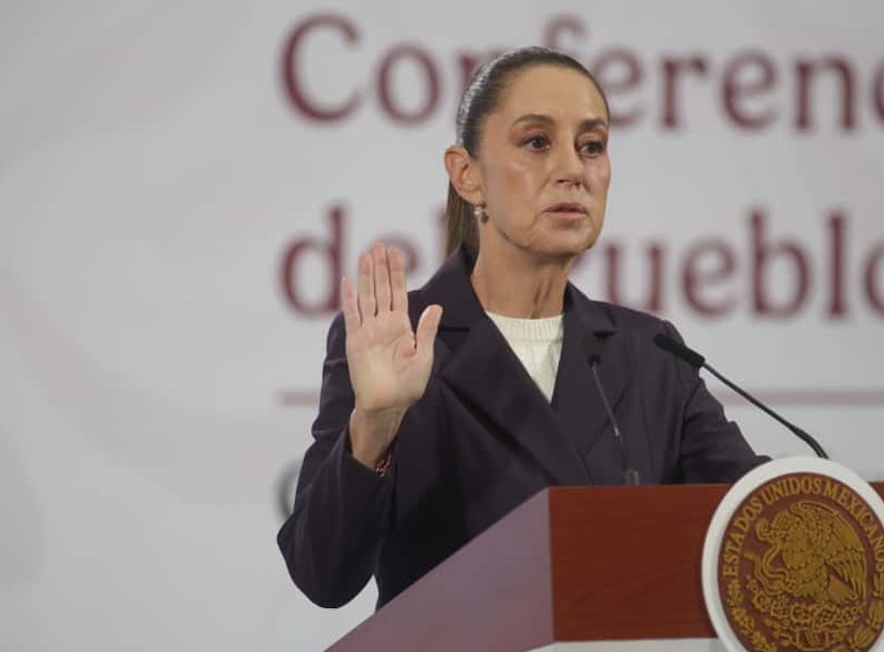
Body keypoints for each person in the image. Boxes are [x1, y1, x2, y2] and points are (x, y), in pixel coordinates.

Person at [277, 47, 767, 610]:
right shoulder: (400, 341)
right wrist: (375, 425)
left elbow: (761, 518)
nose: (573, 170)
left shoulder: (652, 354)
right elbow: (322, 575)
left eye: (591, 146)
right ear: (467, 175)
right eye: (537, 142)